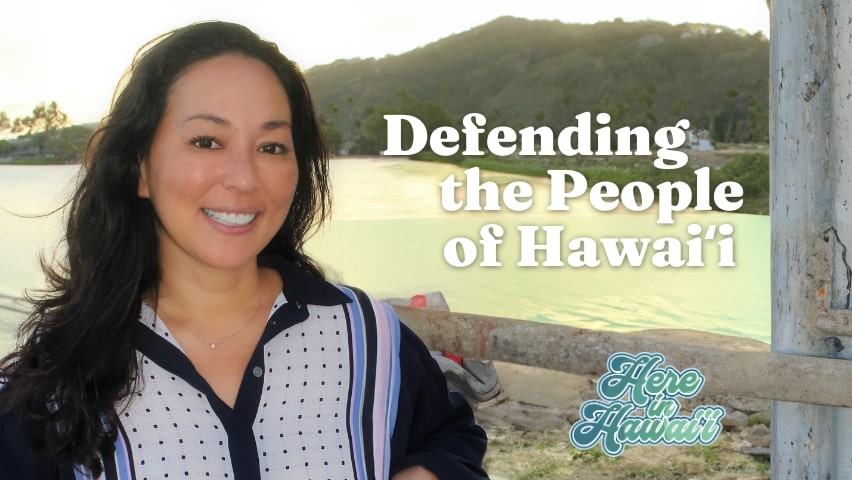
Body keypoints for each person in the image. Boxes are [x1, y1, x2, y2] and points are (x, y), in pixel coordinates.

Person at [0, 21, 488, 479]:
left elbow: (452, 438)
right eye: (207, 141)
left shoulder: (368, 334)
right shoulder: (53, 388)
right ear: (140, 169)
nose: (243, 178)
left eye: (272, 147)